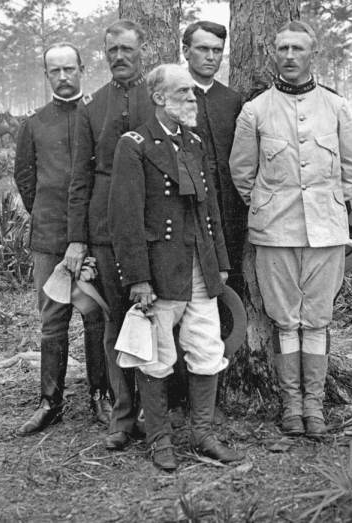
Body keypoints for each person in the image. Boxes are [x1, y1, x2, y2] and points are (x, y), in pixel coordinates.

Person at [229, 21, 352, 439]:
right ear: (273, 52)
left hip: (326, 232)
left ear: (314, 55)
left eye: (298, 49)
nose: (289, 56)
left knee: (319, 320)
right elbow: (242, 172)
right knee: (285, 322)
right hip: (275, 232)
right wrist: (268, 205)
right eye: (282, 47)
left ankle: (316, 405)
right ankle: (292, 406)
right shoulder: (256, 111)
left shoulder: (336, 107)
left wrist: (329, 203)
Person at [108, 63, 244, 471]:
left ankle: (203, 433)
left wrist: (220, 262)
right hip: (159, 269)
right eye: (183, 92)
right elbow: (125, 219)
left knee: (206, 348)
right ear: (159, 98)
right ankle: (159, 437)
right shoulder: (134, 145)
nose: (192, 98)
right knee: (156, 357)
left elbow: (210, 209)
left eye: (193, 92)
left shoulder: (195, 142)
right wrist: (138, 279)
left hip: (199, 267)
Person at [14, 42, 111, 435]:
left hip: (93, 238)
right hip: (50, 239)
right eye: (55, 71)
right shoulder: (35, 123)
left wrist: (85, 235)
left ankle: (100, 398)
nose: (63, 77)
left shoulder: (97, 117)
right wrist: (51, 221)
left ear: (82, 69)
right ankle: (49, 402)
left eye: (69, 69)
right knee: (53, 319)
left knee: (95, 315)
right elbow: (26, 179)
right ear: (46, 75)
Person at [65, 20, 154, 450]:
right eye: (112, 50)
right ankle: (122, 416)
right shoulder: (91, 106)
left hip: (154, 228)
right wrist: (77, 239)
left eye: (126, 49)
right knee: (115, 322)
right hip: (104, 232)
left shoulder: (158, 97)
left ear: (142, 51)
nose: (119, 57)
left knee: (158, 320)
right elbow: (80, 178)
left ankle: (157, 413)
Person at [166, 21, 246, 423]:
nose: (210, 57)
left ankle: (217, 395)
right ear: (186, 51)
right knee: (183, 310)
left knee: (226, 307)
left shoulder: (234, 101)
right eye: (202, 49)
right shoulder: (172, 98)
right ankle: (178, 398)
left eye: (217, 50)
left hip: (228, 224)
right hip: (183, 225)